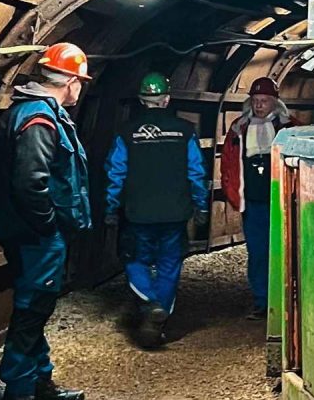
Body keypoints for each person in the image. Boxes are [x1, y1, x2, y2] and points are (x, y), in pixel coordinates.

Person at [0, 42, 93, 400]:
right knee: (33, 307)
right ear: (71, 81)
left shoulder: (40, 112)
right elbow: (31, 183)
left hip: (32, 230)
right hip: (36, 233)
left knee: (38, 304)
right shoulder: (39, 119)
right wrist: (47, 227)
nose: (81, 89)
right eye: (80, 81)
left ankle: (40, 379)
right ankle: (18, 392)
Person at [104, 73, 208, 347]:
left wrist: (111, 207)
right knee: (169, 264)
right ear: (167, 99)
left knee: (134, 260)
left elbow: (116, 173)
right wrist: (201, 205)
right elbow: (196, 172)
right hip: (175, 212)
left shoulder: (126, 133)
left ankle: (149, 304)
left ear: (141, 100)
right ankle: (160, 318)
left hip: (138, 213)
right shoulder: (185, 131)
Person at [220, 76, 291, 318]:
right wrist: (233, 195)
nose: (260, 105)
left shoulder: (289, 128)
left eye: (265, 100)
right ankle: (262, 300)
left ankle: (286, 297)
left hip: (282, 201)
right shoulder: (239, 129)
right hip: (253, 202)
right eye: (256, 100)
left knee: (285, 249)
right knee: (258, 251)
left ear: (275, 102)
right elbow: (228, 164)